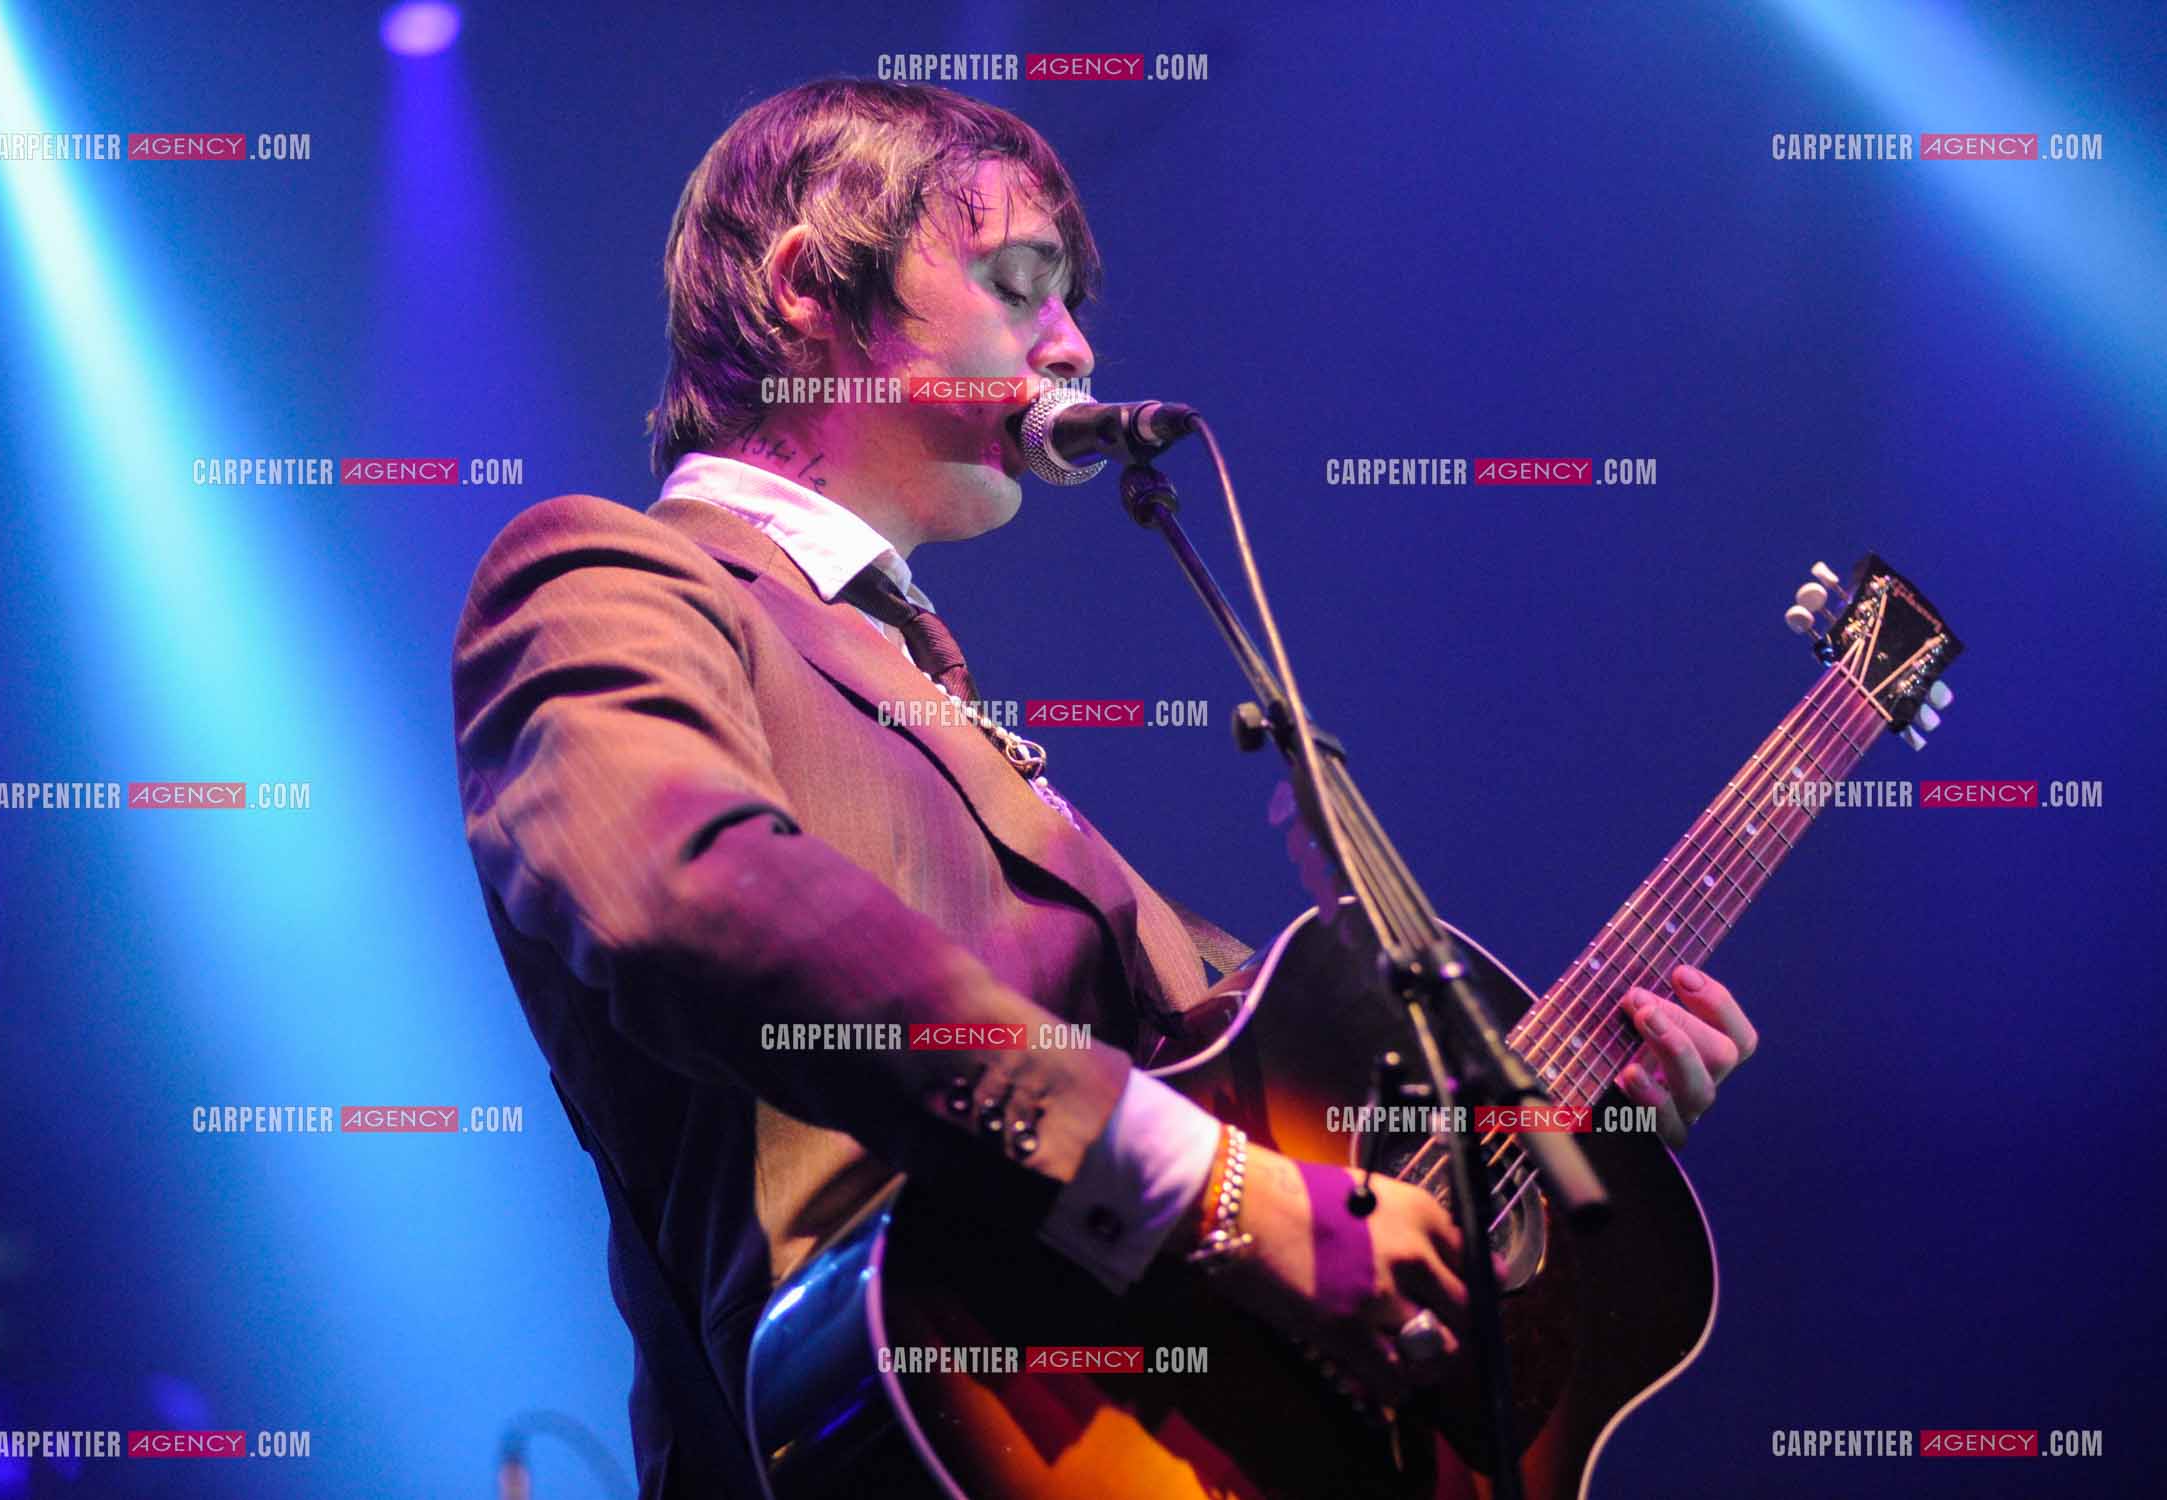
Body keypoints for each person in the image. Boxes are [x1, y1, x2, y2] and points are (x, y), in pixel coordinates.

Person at [450, 76, 1758, 1499]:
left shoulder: (960, 735)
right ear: (808, 287)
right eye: (1020, 283)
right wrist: (1229, 1195)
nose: (1074, 342)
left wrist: (1563, 1138)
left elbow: (1295, 1133)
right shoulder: (612, 577)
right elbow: (685, 887)